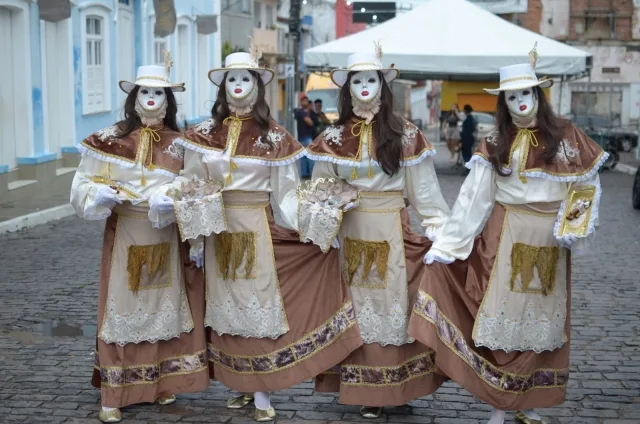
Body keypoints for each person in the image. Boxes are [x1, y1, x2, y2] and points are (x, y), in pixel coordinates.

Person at [408, 46, 609, 424]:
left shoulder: (566, 135)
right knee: (506, 318)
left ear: (538, 95)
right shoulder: (497, 142)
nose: (520, 102)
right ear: (504, 102)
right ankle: (500, 404)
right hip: (507, 237)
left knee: (542, 322)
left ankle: (526, 403)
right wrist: (449, 246)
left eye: (526, 93)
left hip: (551, 240)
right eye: (512, 96)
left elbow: (587, 185)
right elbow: (473, 198)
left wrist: (575, 225)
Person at [169, 47, 362, 422]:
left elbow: (286, 194)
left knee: (257, 308)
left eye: (246, 79)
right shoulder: (202, 135)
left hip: (257, 230)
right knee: (223, 311)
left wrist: (315, 221)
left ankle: (261, 390)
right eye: (232, 80)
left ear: (257, 87)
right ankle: (238, 383)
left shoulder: (275, 138)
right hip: (215, 230)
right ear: (223, 88)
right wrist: (188, 215)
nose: (239, 86)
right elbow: (190, 181)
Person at [306, 42, 451, 418]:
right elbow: (319, 189)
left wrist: (440, 231)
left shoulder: (405, 135)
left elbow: (425, 191)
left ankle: (396, 388)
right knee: (356, 308)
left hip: (392, 231)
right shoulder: (334, 138)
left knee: (393, 309)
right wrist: (326, 213)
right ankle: (364, 389)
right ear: (347, 88)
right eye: (358, 80)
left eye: (371, 79)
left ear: (382, 86)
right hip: (350, 233)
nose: (365, 87)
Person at [70, 54, 210, 423]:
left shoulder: (182, 144)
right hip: (126, 234)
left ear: (168, 101)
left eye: (158, 93)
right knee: (123, 311)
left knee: (162, 311)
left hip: (165, 238)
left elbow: (195, 184)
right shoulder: (110, 140)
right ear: (133, 97)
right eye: (144, 91)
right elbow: (83, 181)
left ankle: (159, 384)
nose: (151, 98)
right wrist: (96, 196)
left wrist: (176, 194)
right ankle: (115, 393)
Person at [295, 95, 318, 177]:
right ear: (301, 102)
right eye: (304, 100)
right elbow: (310, 122)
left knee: (304, 156)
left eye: (306, 100)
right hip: (306, 137)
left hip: (303, 137)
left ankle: (305, 174)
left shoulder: (303, 112)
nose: (305, 102)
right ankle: (312, 173)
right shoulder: (301, 112)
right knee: (310, 156)